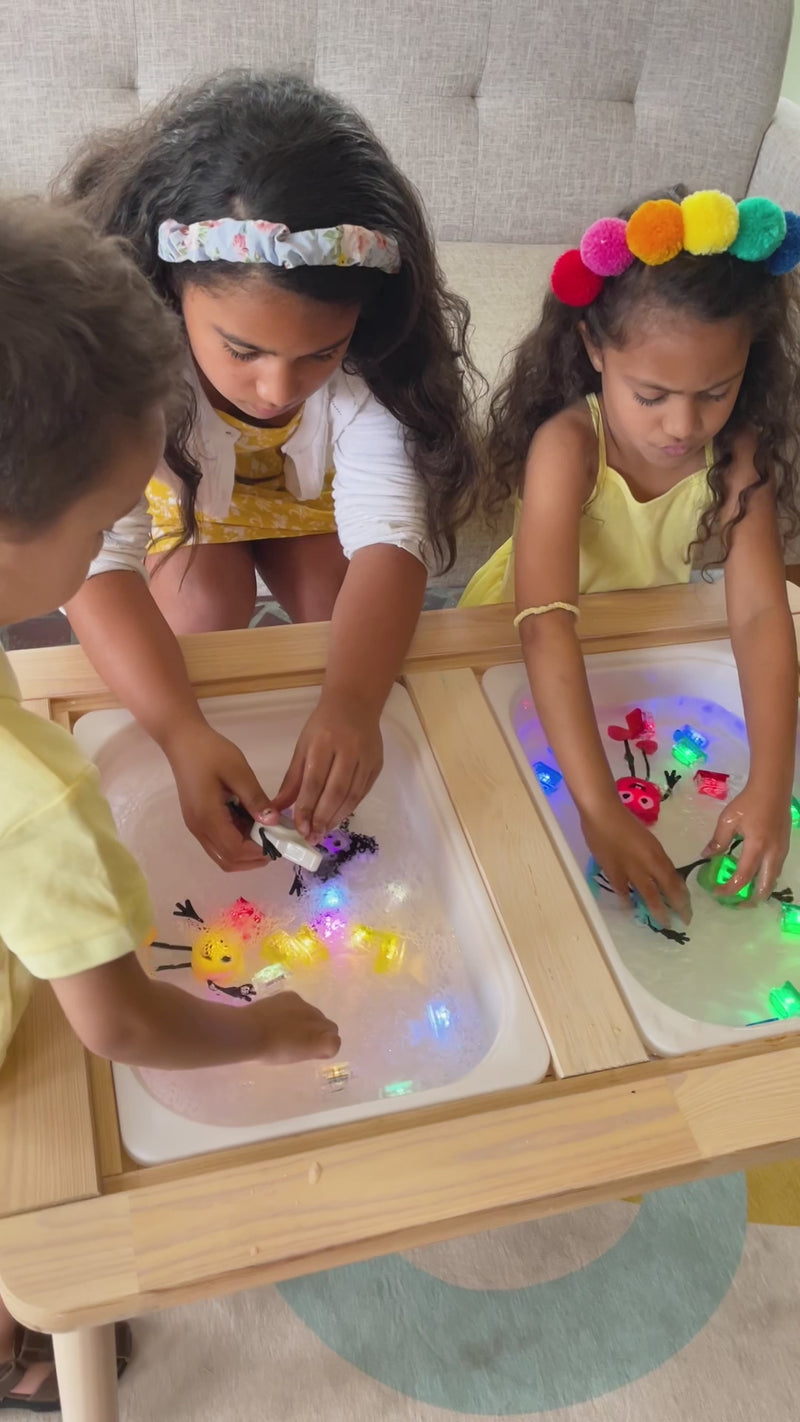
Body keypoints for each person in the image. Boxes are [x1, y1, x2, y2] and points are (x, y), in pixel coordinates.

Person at [0, 199, 340, 1411]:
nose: (113, 548)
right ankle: (29, 1344)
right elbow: (125, 1025)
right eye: (103, 525)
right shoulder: (36, 803)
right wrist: (273, 1032)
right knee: (42, 1248)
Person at [58, 71, 481, 872]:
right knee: (196, 619)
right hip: (192, 514)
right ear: (170, 288)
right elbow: (97, 561)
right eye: (242, 351)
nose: (279, 390)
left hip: (311, 512)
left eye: (320, 353)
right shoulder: (128, 360)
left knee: (340, 624)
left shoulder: (377, 359)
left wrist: (353, 704)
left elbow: (391, 533)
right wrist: (181, 733)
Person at [462, 187, 800, 925]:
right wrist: (598, 806)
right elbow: (546, 623)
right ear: (593, 348)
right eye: (651, 395)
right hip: (512, 637)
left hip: (630, 638)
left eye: (715, 392)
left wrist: (770, 786)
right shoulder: (568, 446)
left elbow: (759, 612)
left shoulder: (740, 451)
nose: (682, 426)